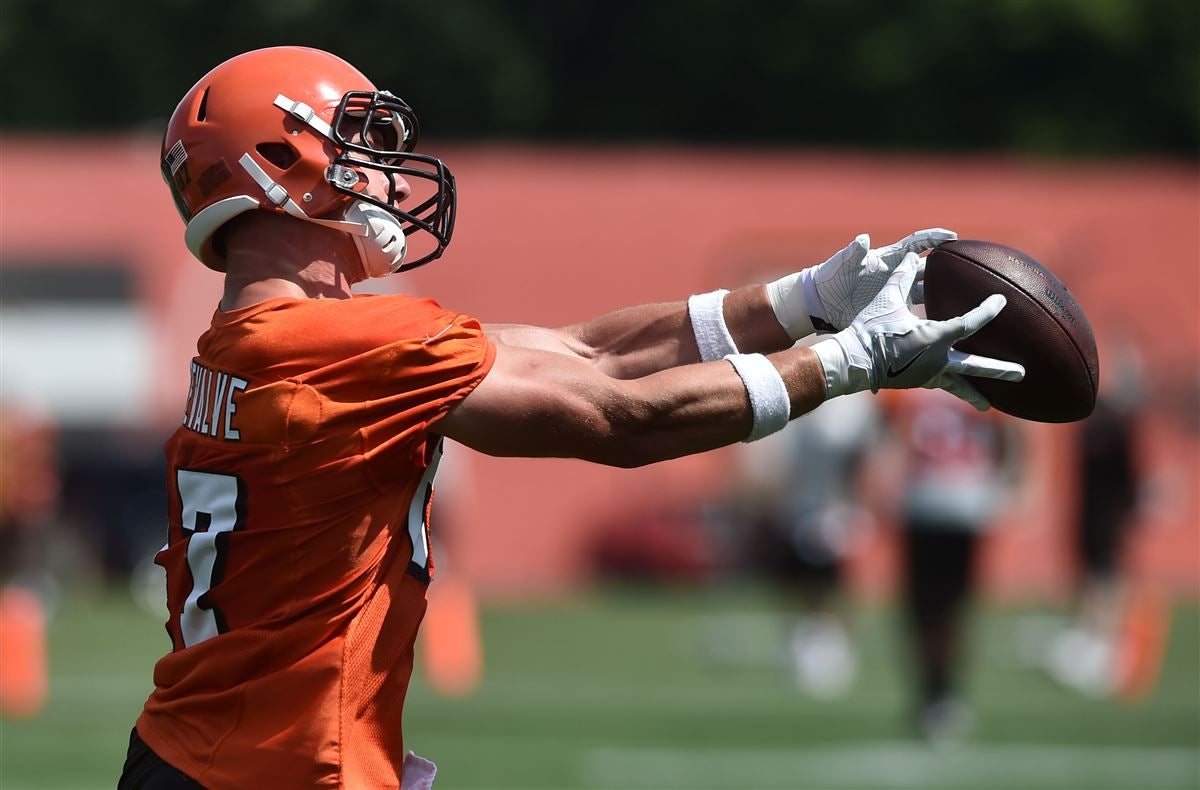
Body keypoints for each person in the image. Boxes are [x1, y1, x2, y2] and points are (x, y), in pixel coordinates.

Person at [119, 46, 1023, 789]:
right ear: (279, 166)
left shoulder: (256, 339)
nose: (382, 171)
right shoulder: (343, 342)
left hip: (201, 756)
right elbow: (618, 417)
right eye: (356, 139)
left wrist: (803, 300)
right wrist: (848, 362)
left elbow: (583, 351)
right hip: (274, 773)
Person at [881, 387, 1021, 742]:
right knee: (938, 610)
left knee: (936, 610)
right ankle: (939, 694)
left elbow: (888, 437)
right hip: (950, 502)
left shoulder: (914, 379)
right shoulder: (976, 378)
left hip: (942, 502)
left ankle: (938, 693)